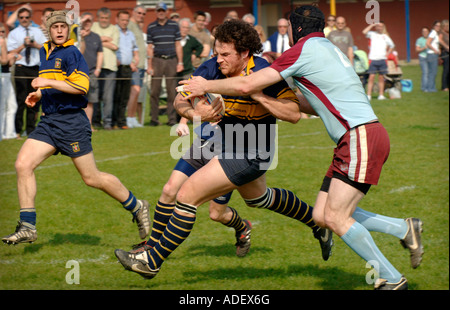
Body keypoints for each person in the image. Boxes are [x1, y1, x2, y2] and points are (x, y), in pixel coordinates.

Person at [180, 5, 423, 290]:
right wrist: (274, 100)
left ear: (295, 30)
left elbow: (247, 85)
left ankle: (390, 279)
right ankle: (403, 228)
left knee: (335, 216)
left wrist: (204, 84)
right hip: (359, 136)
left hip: (360, 137)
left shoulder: (301, 50)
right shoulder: (328, 48)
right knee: (322, 215)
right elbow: (312, 103)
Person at [114, 19, 333, 279]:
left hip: (252, 152)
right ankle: (318, 223)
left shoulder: (264, 72)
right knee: (258, 198)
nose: (219, 60)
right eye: (217, 53)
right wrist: (195, 112)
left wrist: (259, 95)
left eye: (225, 54)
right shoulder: (214, 67)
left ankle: (152, 260)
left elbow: (294, 113)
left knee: (187, 194)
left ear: (244, 53)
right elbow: (179, 98)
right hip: (225, 143)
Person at [1, 10, 150, 246]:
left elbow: (81, 87)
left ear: (68, 29)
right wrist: (39, 94)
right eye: (55, 27)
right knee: (22, 164)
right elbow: (54, 82)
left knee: (91, 178)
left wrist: (47, 82)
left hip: (72, 123)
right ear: (48, 30)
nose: (60, 30)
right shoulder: (45, 51)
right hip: (50, 121)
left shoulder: (72, 52)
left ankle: (137, 205)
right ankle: (28, 225)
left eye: (63, 26)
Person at [7, 7, 47, 139]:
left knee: (34, 99)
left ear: (31, 18)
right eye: (21, 17)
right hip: (21, 67)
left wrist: (35, 44)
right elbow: (10, 52)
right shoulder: (14, 33)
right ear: (18, 19)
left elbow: (46, 49)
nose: (24, 20)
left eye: (26, 17)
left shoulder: (38, 31)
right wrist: (23, 45)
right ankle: (18, 130)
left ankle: (31, 130)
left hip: (35, 68)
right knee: (21, 100)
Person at [146, 2, 183, 126]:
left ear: (166, 12)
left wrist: (180, 62)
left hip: (172, 60)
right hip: (157, 60)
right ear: (156, 12)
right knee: (154, 91)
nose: (161, 12)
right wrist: (149, 66)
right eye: (158, 10)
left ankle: (171, 119)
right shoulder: (151, 27)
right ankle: (154, 119)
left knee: (172, 91)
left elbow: (178, 45)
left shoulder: (174, 25)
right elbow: (150, 47)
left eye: (163, 10)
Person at [91, 7, 120, 130]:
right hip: (94, 67)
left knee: (108, 98)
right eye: (102, 18)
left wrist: (98, 41)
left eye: (106, 18)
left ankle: (107, 122)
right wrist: (105, 40)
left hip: (110, 68)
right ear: (98, 18)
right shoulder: (93, 26)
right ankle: (95, 122)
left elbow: (115, 46)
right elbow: (89, 42)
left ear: (110, 18)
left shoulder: (114, 29)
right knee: (94, 96)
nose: (104, 20)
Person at [113, 10, 139, 130]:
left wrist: (135, 62)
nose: (124, 22)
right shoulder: (113, 31)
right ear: (117, 20)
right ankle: (113, 122)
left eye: (126, 20)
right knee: (115, 95)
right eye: (122, 20)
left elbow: (135, 50)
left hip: (128, 68)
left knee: (124, 96)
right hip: (116, 68)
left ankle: (122, 121)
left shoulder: (130, 34)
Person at [78, 12, 103, 129]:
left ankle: (88, 125)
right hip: (78, 74)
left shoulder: (96, 37)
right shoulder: (75, 35)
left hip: (92, 73)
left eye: (90, 21)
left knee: (91, 101)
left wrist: (98, 69)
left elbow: (100, 53)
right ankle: (78, 125)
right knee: (78, 101)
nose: (87, 24)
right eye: (85, 21)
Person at [126, 5, 147, 128]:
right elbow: (128, 45)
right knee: (135, 91)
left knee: (136, 93)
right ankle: (129, 117)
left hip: (141, 65)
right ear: (133, 12)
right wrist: (132, 61)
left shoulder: (138, 27)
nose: (141, 15)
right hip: (134, 65)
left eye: (143, 14)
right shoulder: (130, 25)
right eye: (139, 13)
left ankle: (133, 118)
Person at [362, 21, 394, 100]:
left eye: (381, 26)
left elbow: (392, 45)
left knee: (381, 78)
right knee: (371, 77)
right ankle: (368, 95)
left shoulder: (385, 36)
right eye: (378, 26)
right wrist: (372, 25)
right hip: (373, 59)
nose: (379, 28)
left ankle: (381, 95)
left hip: (382, 60)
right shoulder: (372, 34)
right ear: (376, 27)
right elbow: (364, 32)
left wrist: (387, 54)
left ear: (383, 27)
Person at [424, 20, 441, 93]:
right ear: (434, 26)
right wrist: (434, 50)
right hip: (431, 54)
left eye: (439, 26)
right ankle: (430, 88)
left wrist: (438, 49)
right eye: (437, 26)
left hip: (433, 54)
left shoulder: (435, 34)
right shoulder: (433, 33)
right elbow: (428, 43)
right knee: (432, 72)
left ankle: (431, 87)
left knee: (433, 72)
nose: (438, 27)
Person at [415, 27, 430, 92]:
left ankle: (430, 87)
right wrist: (424, 48)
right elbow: (417, 49)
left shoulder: (431, 39)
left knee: (431, 73)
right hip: (423, 57)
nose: (425, 33)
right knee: (425, 72)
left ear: (428, 32)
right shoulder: (419, 40)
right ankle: (424, 88)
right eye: (423, 32)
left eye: (426, 31)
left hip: (431, 57)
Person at [439, 20, 449, 91]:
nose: (448, 27)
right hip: (445, 53)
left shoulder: (448, 33)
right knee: (446, 70)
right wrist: (447, 47)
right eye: (446, 26)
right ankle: (444, 86)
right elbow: (440, 41)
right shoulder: (441, 33)